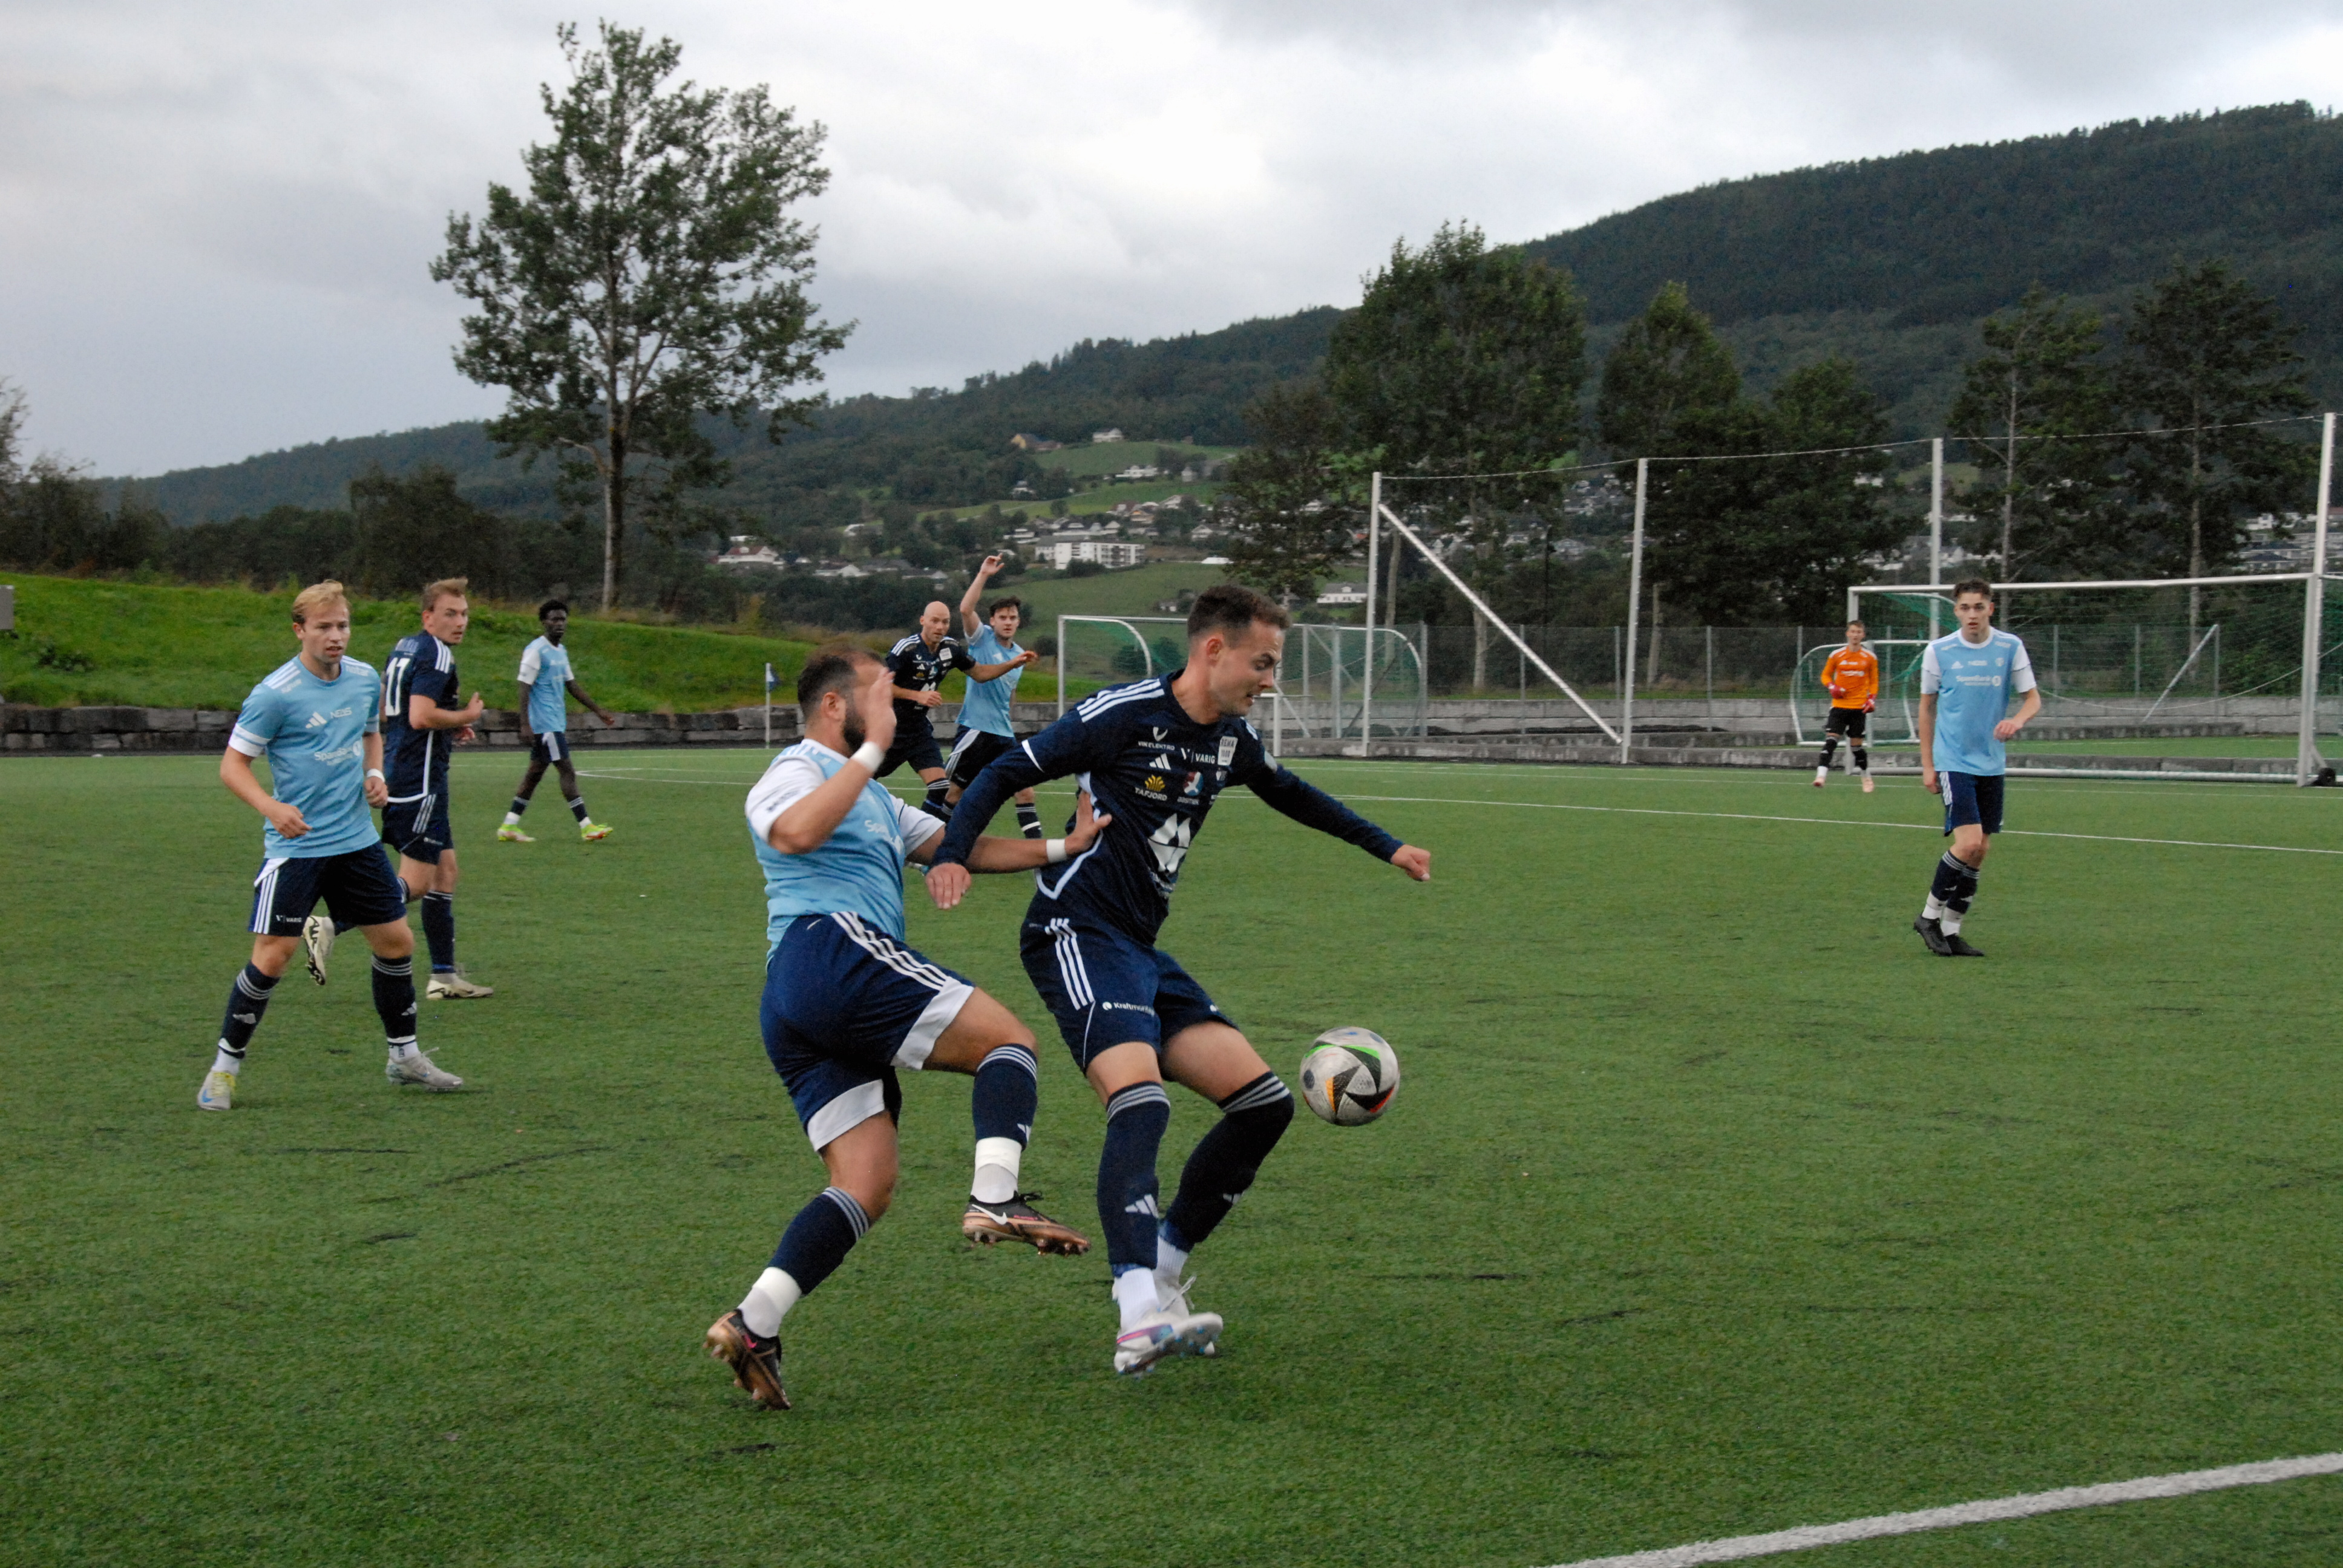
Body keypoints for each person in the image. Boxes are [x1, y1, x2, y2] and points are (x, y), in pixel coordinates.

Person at [927, 584, 1433, 1376]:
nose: (1270, 681)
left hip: (1138, 950)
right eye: (1262, 664)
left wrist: (1389, 847)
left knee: (1262, 1105)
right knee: (1141, 1101)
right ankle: (1135, 1314)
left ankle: (1162, 1274)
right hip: (1074, 931)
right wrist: (955, 853)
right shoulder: (1122, 714)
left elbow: (1293, 795)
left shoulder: (1230, 740)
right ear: (1213, 650)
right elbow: (1004, 771)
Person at [704, 649, 1101, 1411]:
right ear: (833, 706)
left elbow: (957, 846)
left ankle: (755, 1322)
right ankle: (996, 1198)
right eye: (881, 693)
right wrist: (874, 750)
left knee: (865, 1183)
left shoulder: (877, 799)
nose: (896, 704)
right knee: (1009, 1042)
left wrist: (1061, 848)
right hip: (829, 950)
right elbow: (792, 833)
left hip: (807, 996)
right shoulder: (796, 769)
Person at [198, 581, 462, 1111]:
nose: (336, 636)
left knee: (396, 943)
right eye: (323, 627)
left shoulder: (363, 679)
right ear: (300, 631)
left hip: (356, 842)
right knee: (274, 956)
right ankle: (223, 1070)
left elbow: (370, 734)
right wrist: (272, 808)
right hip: (297, 848)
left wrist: (375, 773)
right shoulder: (274, 694)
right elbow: (233, 766)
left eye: (342, 626)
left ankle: (404, 1056)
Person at [305, 578, 493, 999]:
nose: (460, 622)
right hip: (419, 782)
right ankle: (331, 924)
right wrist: (467, 715)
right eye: (450, 614)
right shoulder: (437, 654)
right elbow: (421, 715)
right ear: (428, 617)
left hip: (402, 770)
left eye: (464, 614)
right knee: (418, 883)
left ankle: (444, 977)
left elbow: (401, 710)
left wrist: (450, 727)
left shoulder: (406, 646)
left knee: (446, 873)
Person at [1914, 580, 2040, 958]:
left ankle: (1952, 930)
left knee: (1981, 850)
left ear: (1990, 609)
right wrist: (1927, 765)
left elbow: (2033, 699)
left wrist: (2017, 720)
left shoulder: (2009, 646)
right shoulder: (1939, 651)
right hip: (1953, 760)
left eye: (1979, 607)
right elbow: (1926, 709)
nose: (1972, 614)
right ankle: (1928, 917)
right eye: (1965, 608)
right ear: (1956, 611)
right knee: (1968, 843)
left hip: (1991, 762)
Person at [883, 600, 1029, 820]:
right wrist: (917, 695)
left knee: (941, 787)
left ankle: (923, 835)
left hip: (919, 731)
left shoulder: (950, 649)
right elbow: (880, 685)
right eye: (935, 621)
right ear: (923, 621)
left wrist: (1012, 664)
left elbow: (980, 673)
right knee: (862, 780)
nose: (940, 627)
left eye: (945, 622)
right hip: (891, 728)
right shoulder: (907, 648)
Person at [498, 599, 618, 842]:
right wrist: (525, 724)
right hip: (546, 725)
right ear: (544, 622)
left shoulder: (560, 652)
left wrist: (598, 711)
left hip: (554, 722)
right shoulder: (536, 650)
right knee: (567, 771)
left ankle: (509, 826)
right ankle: (587, 826)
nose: (560, 624)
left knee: (534, 775)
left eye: (563, 619)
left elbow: (571, 685)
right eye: (554, 619)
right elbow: (524, 686)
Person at [941, 556, 1043, 835]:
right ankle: (930, 846)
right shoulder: (981, 638)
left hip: (1003, 736)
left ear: (1019, 622)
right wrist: (984, 574)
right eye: (1002, 618)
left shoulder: (1019, 654)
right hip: (976, 731)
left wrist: (1009, 713)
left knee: (1025, 791)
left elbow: (1009, 693)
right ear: (992, 621)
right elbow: (965, 609)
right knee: (954, 794)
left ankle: (1037, 849)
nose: (1008, 622)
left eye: (1013, 618)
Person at [1814, 619, 1880, 793]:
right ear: (1848, 634)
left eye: (1859, 632)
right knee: (1831, 741)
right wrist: (1832, 687)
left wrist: (1872, 699)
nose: (1855, 635)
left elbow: (1874, 682)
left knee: (1856, 747)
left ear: (1863, 635)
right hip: (1839, 706)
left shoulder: (1870, 658)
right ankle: (1821, 777)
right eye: (1853, 631)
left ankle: (1866, 777)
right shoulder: (1837, 655)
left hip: (1858, 708)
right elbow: (1825, 676)